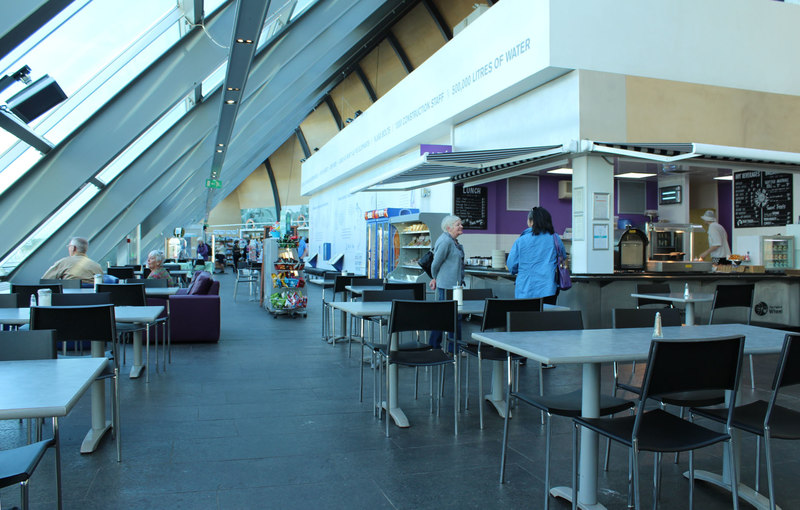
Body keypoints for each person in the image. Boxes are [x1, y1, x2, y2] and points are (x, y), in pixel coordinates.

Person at [507, 206, 564, 302]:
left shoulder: (521, 241)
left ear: (531, 221)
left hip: (525, 290)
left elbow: (512, 266)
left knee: (525, 317)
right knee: (546, 316)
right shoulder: (555, 238)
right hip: (548, 290)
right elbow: (563, 258)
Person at [429, 215, 465, 349]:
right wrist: (435, 277)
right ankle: (436, 345)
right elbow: (435, 263)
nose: (461, 226)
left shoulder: (453, 241)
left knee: (454, 316)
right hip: (447, 286)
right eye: (458, 224)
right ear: (449, 228)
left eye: (460, 224)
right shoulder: (445, 241)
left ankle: (453, 347)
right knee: (444, 316)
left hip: (454, 286)